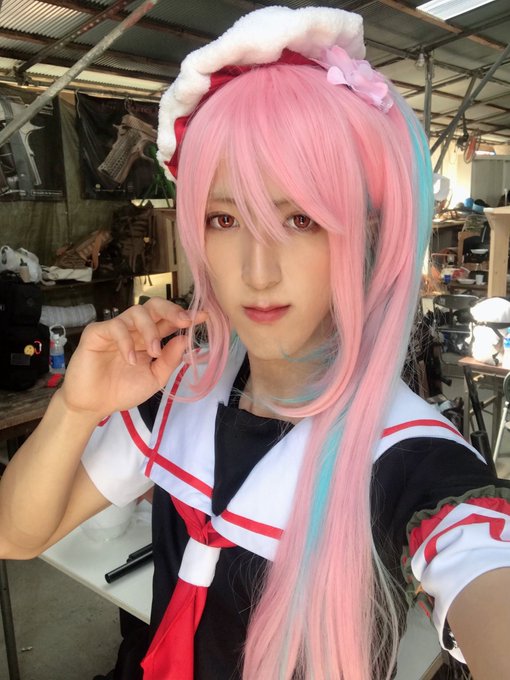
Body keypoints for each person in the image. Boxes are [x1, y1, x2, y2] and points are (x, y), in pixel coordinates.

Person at [1, 6, 510, 680]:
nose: (257, 271)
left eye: (299, 218)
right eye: (223, 218)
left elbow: (484, 572)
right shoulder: (179, 390)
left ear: (365, 232)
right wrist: (75, 408)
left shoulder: (410, 457)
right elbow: (17, 535)